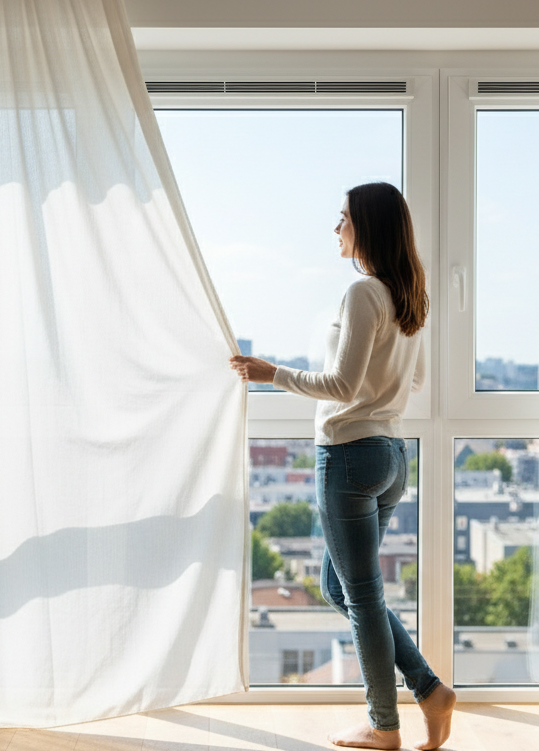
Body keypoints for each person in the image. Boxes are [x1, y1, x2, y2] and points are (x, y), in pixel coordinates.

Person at [230, 182, 456, 751]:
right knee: (345, 588)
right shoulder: (408, 296)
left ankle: (384, 725)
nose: (336, 229)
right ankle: (429, 690)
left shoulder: (362, 292)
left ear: (367, 227)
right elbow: (416, 380)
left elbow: (341, 385)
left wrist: (271, 372)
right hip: (392, 457)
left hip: (351, 456)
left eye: (344, 219)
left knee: (359, 597)